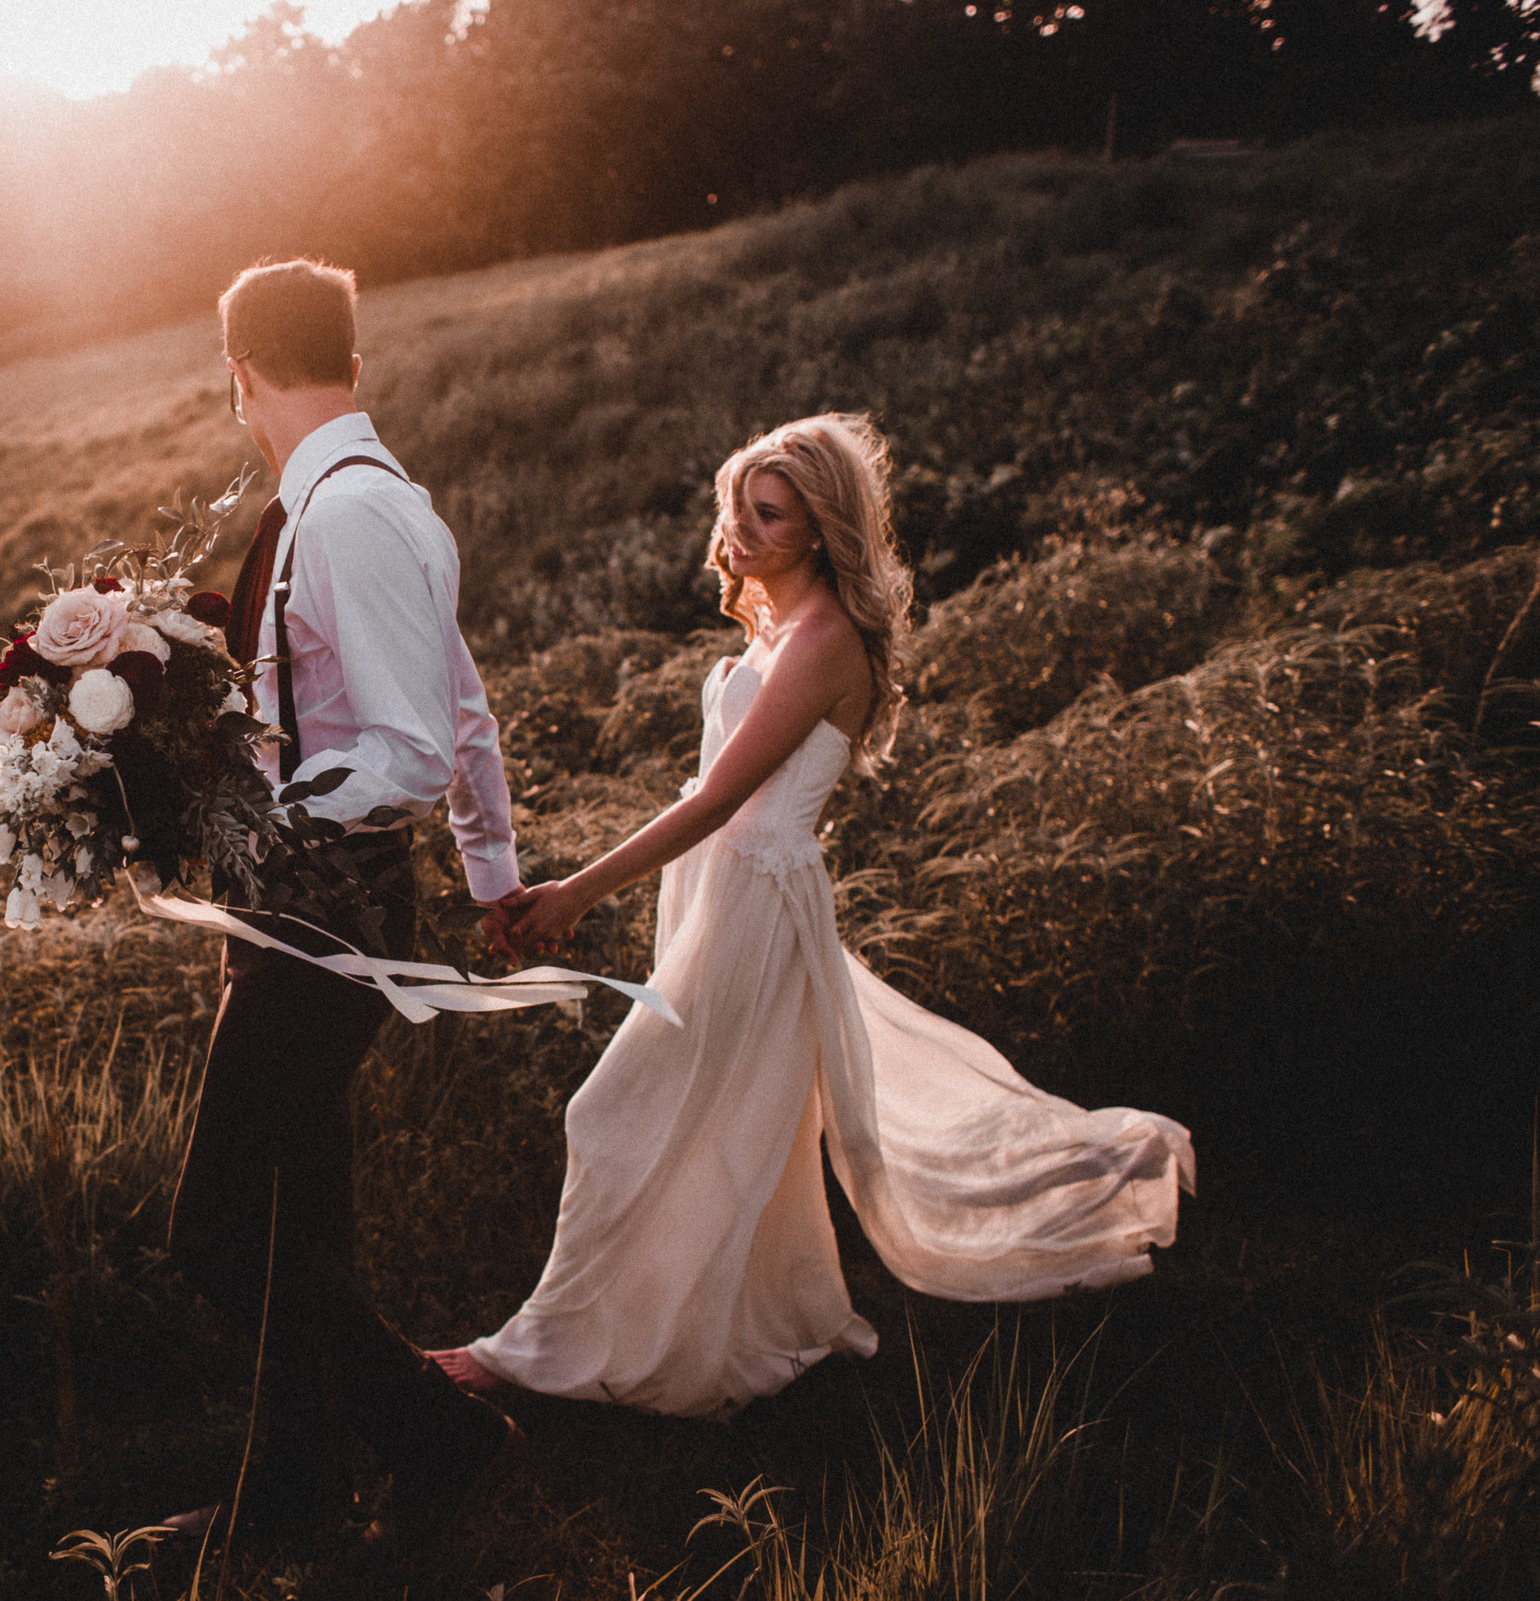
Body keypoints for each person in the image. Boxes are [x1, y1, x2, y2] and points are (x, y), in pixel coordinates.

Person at [437, 414, 1194, 1417]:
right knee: (725, 1120)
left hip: (751, 898)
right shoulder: (781, 625)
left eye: (768, 515)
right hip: (727, 886)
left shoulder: (827, 637)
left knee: (610, 1114)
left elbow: (716, 799)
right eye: (737, 509)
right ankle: (749, 1314)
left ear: (820, 526)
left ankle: (533, 1349)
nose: (740, 533)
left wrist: (576, 890)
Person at [161, 259, 528, 1557]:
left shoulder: (354, 518)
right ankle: (283, 1508)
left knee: (216, 1230)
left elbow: (417, 745)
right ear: (355, 367)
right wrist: (495, 879)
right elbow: (470, 710)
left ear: (240, 374)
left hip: (327, 901)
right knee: (295, 1224)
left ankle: (436, 1431)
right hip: (317, 897)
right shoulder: (361, 505)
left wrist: (265, 817)